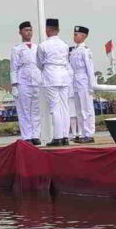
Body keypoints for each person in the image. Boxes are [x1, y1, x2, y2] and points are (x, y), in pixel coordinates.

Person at [36, 18, 72, 146]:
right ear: (58, 30)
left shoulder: (43, 45)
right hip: (64, 75)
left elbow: (39, 64)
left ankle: (57, 137)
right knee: (65, 107)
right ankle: (65, 136)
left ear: (47, 30)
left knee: (55, 108)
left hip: (51, 75)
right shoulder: (65, 45)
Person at [11, 21, 43, 146]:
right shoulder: (17, 49)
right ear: (20, 32)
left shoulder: (37, 47)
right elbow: (13, 68)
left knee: (36, 110)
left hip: (36, 80)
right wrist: (14, 85)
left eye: (30, 30)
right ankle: (27, 135)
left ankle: (36, 135)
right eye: (26, 30)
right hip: (23, 81)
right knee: (24, 110)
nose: (28, 32)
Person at [69, 25, 96, 143]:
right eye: (74, 34)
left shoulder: (86, 51)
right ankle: (83, 133)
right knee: (79, 110)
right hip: (75, 82)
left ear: (84, 36)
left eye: (77, 34)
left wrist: (91, 86)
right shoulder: (74, 51)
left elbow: (90, 70)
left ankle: (89, 133)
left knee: (87, 109)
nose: (74, 36)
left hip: (84, 81)